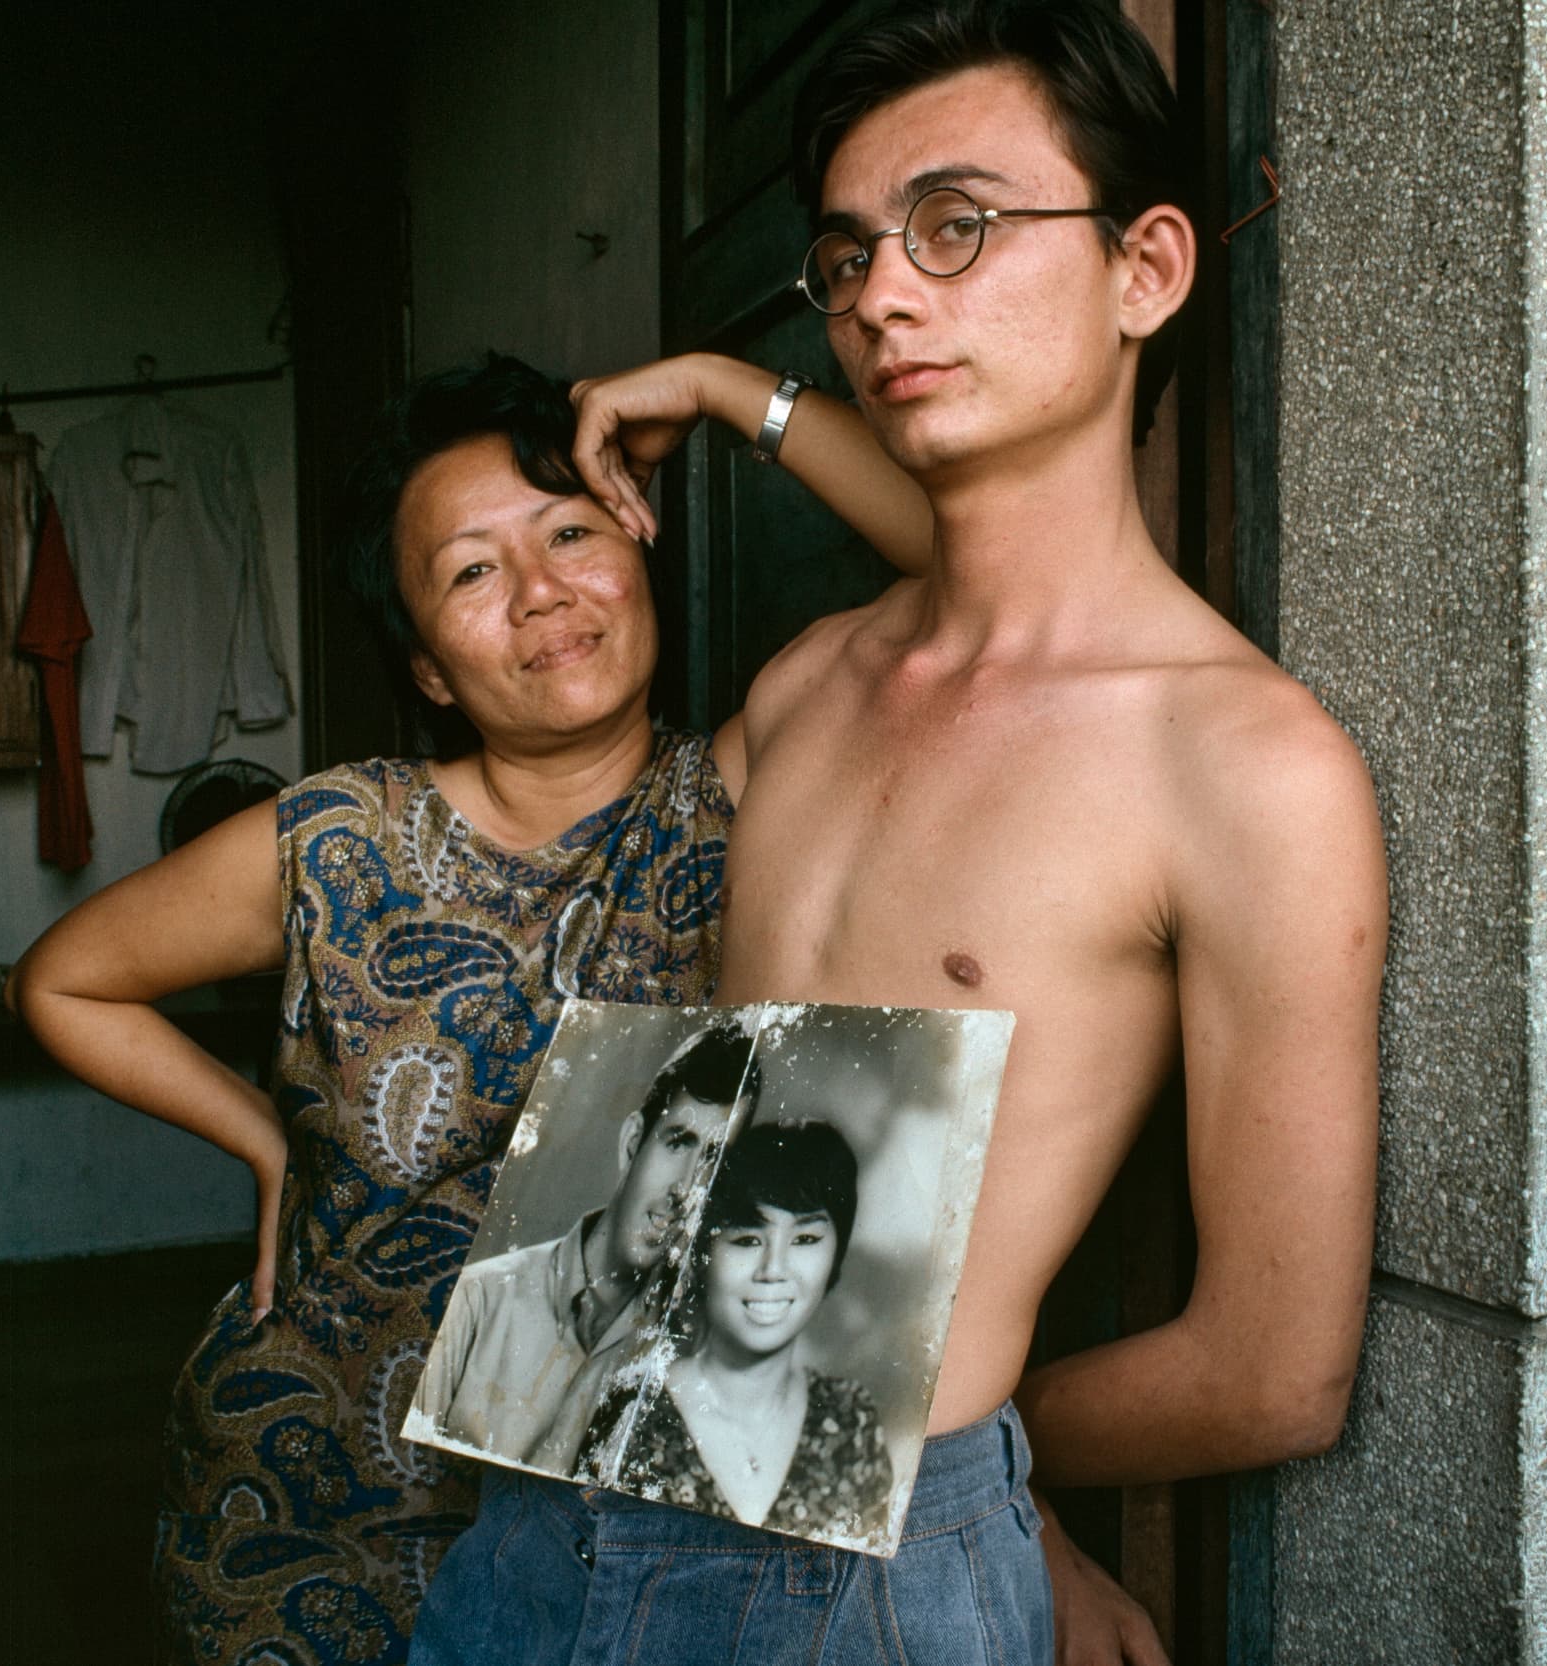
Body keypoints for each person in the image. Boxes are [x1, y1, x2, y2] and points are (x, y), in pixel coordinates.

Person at [412, 4, 1387, 1664]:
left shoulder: (1240, 766)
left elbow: (1273, 1366)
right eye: (849, 253)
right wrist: (729, 388)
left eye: (958, 225)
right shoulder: (807, 685)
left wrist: (984, 1492)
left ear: (1146, 269)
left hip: (841, 1585)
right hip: (543, 1499)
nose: (878, 293)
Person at [7, 353, 928, 1666]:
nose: (541, 591)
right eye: (471, 572)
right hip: (308, 1488)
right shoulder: (339, 837)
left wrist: (727, 393)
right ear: (430, 668)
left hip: (606, 1520)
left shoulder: (740, 793)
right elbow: (65, 978)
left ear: (639, 543)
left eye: (571, 533)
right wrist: (263, 1141)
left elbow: (973, 562)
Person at [410, 1020, 759, 1461]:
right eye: (678, 1143)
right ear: (632, 1143)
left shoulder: (689, 1354)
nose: (685, 1187)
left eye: (712, 1161)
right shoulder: (477, 1300)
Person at [565, 1120, 893, 1542]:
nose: (773, 1270)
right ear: (703, 1253)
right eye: (747, 1240)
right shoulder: (630, 1411)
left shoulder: (851, 1421)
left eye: (806, 1239)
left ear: (837, 1254)